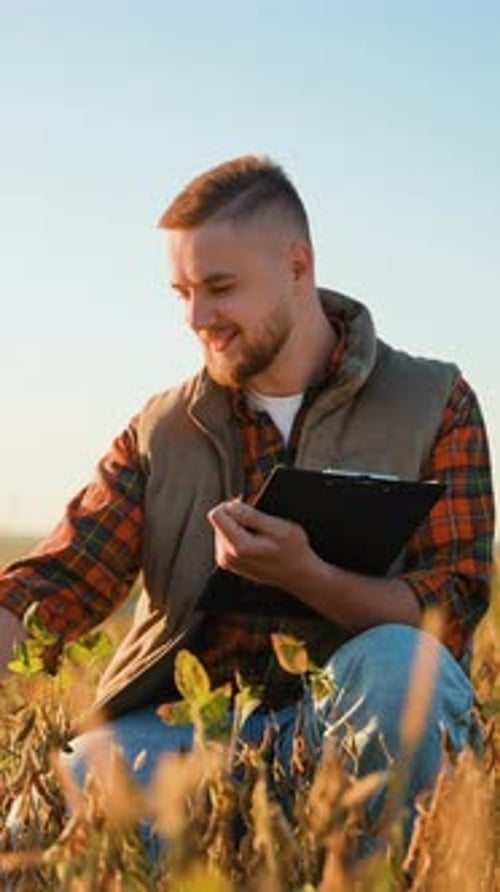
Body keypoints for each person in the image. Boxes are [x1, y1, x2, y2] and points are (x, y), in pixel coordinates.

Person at [0, 156, 495, 852]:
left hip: (349, 723)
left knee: (400, 667)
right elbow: (59, 586)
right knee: (72, 800)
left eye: (220, 288)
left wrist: (305, 575)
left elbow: (449, 614)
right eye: (182, 292)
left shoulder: (434, 402)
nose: (198, 318)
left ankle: (377, 864)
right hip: (182, 732)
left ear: (298, 266)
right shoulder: (163, 428)